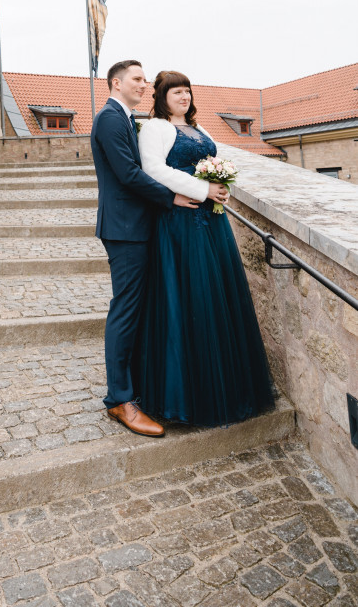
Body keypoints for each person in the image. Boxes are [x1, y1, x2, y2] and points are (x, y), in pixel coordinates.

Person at [137, 70, 276, 427]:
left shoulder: (201, 129)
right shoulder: (155, 128)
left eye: (187, 91)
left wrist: (221, 184)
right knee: (189, 296)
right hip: (181, 221)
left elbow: (214, 163)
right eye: (176, 92)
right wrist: (203, 190)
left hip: (212, 222)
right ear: (162, 97)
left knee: (219, 296)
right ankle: (189, 393)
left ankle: (231, 386)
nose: (183, 97)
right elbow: (153, 169)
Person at [90, 60, 206, 437]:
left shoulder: (124, 118)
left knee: (137, 308)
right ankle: (120, 401)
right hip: (125, 230)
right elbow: (127, 173)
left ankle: (137, 385)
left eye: (145, 79)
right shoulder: (109, 118)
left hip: (137, 226)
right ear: (116, 82)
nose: (144, 85)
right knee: (124, 311)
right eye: (137, 79)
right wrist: (172, 196)